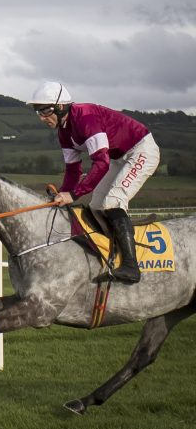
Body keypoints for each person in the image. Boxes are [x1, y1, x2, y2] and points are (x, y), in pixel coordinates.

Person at [28, 81, 160, 283]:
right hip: (119, 158)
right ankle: (111, 254)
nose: (42, 118)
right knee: (97, 206)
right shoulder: (64, 131)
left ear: (61, 106)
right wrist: (62, 195)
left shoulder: (85, 118)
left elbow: (101, 162)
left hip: (141, 150)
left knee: (113, 202)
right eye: (38, 112)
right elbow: (73, 170)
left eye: (45, 111)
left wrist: (73, 194)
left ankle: (132, 267)